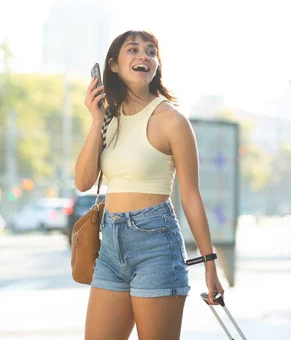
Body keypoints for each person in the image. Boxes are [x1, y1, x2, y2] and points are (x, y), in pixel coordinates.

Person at [75, 29, 225, 340]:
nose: (144, 56)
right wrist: (95, 119)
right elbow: (83, 181)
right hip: (111, 245)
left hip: (156, 243)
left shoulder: (172, 120)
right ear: (113, 65)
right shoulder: (107, 119)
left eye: (151, 52)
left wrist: (210, 263)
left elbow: (192, 197)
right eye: (133, 50)